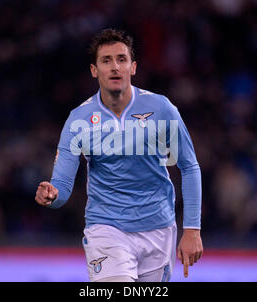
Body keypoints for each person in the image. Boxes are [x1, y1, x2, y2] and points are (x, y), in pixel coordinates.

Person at [35, 28, 203, 282]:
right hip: (106, 228)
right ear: (94, 70)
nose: (115, 67)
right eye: (106, 60)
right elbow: (62, 185)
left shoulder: (161, 109)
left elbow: (189, 167)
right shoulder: (79, 119)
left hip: (158, 228)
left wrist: (192, 229)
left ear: (133, 67)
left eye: (121, 59)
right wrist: (52, 196)